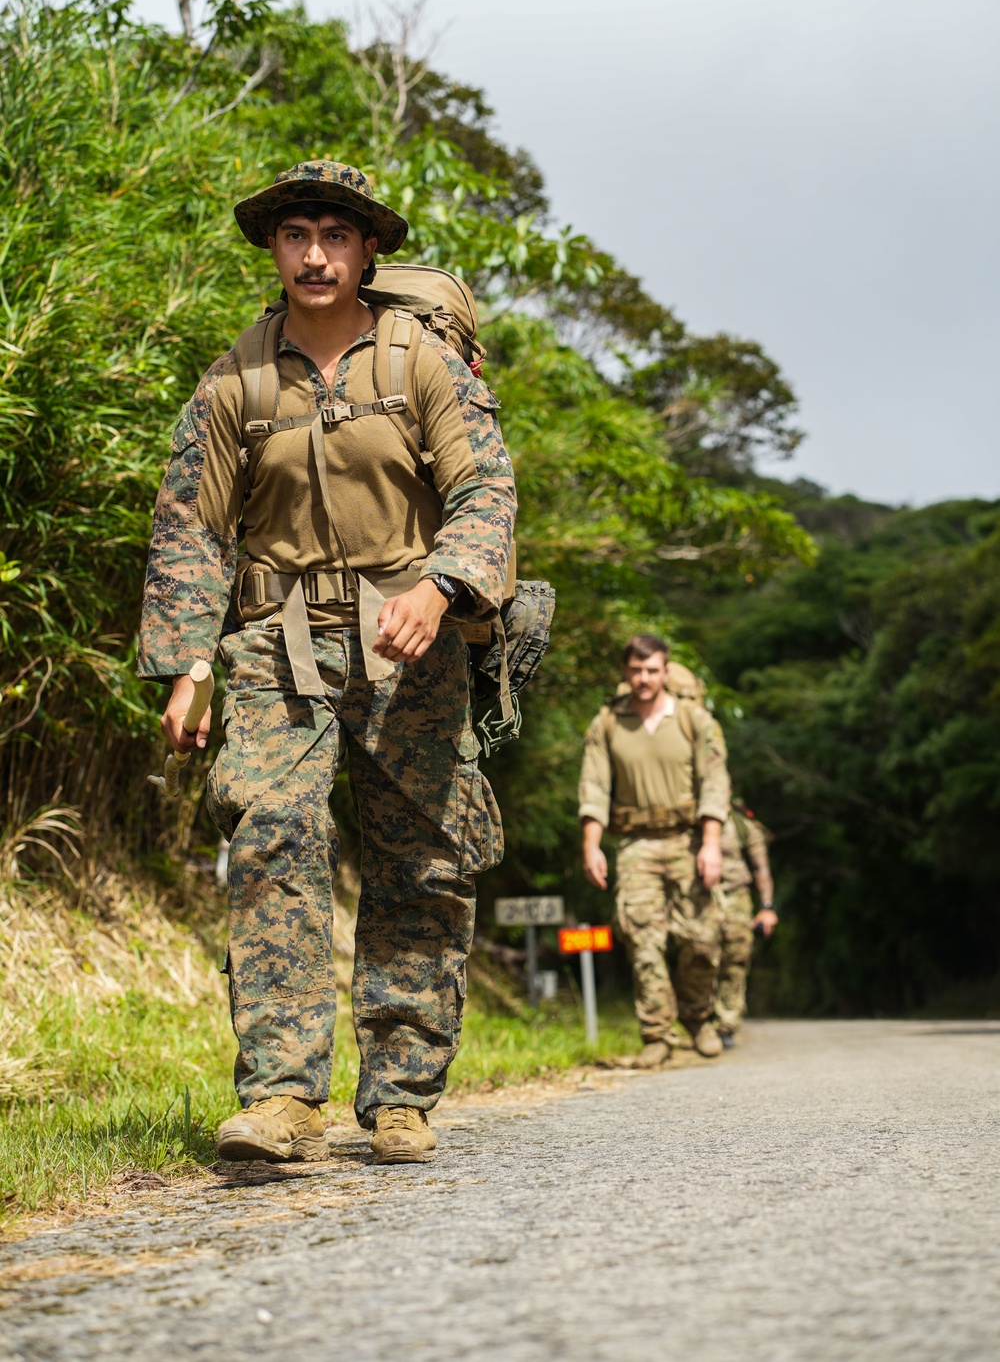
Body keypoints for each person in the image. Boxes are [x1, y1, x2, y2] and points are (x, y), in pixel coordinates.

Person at [139, 160, 516, 1165]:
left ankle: (401, 1095)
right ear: (273, 247)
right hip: (276, 642)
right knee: (271, 838)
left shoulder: (417, 366)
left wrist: (438, 592)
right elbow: (191, 528)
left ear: (367, 252)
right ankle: (280, 1095)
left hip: (413, 638)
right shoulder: (235, 381)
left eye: (336, 236)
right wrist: (186, 663)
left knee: (423, 862)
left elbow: (485, 492)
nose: (315, 254)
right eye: (296, 234)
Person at [578, 634, 732, 1066]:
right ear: (626, 672)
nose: (644, 678)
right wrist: (592, 846)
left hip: (689, 840)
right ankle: (657, 1034)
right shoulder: (607, 722)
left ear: (665, 672)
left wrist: (713, 844)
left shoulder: (693, 720)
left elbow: (715, 782)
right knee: (643, 941)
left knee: (702, 938)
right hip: (637, 845)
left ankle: (699, 1019)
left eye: (652, 670)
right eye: (636, 670)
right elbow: (594, 786)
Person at [714, 801, 778, 1046]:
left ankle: (726, 1024)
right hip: (698, 898)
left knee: (736, 958)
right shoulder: (689, 819)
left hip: (735, 896)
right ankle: (700, 1018)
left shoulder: (742, 825)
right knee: (700, 956)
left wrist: (767, 908)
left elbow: (761, 868)